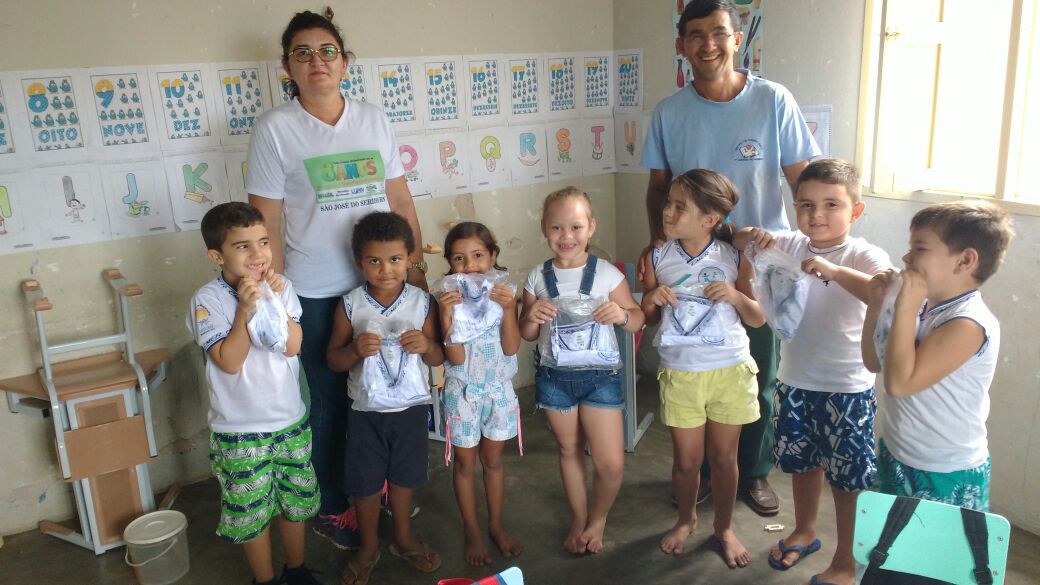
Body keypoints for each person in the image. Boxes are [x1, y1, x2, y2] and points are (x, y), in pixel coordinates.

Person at [246, 9, 427, 548]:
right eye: (302, 53)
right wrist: (274, 296)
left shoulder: (373, 119)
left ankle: (379, 491)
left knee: (388, 396)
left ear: (345, 62)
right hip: (319, 291)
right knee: (331, 402)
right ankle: (333, 506)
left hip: (384, 284)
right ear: (287, 68)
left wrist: (415, 267)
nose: (317, 61)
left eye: (327, 51)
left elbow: (399, 199)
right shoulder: (275, 129)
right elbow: (266, 220)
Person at [641, 0, 820, 515]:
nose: (708, 45)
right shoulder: (669, 112)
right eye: (696, 35)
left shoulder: (773, 100)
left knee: (756, 374)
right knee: (694, 365)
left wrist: (816, 248)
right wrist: (657, 245)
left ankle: (753, 471)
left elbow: (803, 181)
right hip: (691, 263)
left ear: (737, 40)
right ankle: (700, 472)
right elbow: (657, 188)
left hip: (759, 267)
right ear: (681, 46)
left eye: (719, 33)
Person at [737, 159, 891, 585]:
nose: (816, 215)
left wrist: (836, 272)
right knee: (802, 465)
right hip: (795, 381)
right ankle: (804, 531)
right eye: (806, 205)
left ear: (855, 211)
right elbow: (739, 239)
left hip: (848, 388)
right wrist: (752, 236)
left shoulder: (863, 254)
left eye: (831, 204)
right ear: (795, 207)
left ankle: (845, 560)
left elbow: (882, 291)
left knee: (847, 480)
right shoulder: (789, 244)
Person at [188, 202, 323, 585]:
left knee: (294, 503)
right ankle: (264, 580)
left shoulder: (282, 288)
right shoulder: (207, 300)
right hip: (240, 431)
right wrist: (245, 311)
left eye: (263, 242)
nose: (258, 253)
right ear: (217, 256)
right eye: (242, 246)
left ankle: (296, 571)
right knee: (252, 513)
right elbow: (229, 362)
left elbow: (292, 346)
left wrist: (273, 301)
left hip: (289, 420)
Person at [640, 170, 764, 569]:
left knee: (725, 460)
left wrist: (735, 296)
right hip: (681, 374)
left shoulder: (734, 257)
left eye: (681, 207)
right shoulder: (656, 256)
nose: (668, 212)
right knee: (686, 462)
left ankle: (724, 528)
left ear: (711, 219)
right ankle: (686, 519)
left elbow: (758, 317)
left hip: (730, 370)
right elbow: (648, 319)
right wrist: (652, 299)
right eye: (669, 203)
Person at [863, 201, 1014, 514]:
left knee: (932, 547)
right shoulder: (922, 306)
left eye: (919, 248)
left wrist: (904, 307)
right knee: (889, 542)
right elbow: (874, 362)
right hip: (898, 452)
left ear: (965, 260)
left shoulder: (968, 324)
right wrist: (877, 306)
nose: (907, 258)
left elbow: (900, 384)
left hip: (944, 470)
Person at [520, 187, 644, 555]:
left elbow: (637, 319)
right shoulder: (537, 277)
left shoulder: (607, 275)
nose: (566, 236)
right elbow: (527, 334)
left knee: (610, 464)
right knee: (568, 450)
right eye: (556, 227)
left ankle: (598, 519)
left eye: (575, 227)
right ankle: (579, 519)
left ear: (591, 227)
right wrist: (531, 316)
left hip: (600, 380)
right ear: (544, 229)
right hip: (554, 380)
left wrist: (621, 315)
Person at [326, 212, 443, 585]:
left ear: (408, 258)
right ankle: (369, 546)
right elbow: (332, 359)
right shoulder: (350, 304)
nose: (385, 269)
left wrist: (426, 345)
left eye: (394, 259)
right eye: (374, 261)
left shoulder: (422, 302)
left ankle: (404, 539)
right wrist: (354, 350)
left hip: (411, 410)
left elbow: (438, 357)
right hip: (366, 412)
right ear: (359, 262)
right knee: (365, 482)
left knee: (406, 476)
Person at [437, 222, 524, 567]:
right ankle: (472, 531)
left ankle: (496, 525)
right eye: (459, 258)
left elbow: (511, 347)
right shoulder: (448, 298)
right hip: (462, 393)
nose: (469, 265)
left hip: (498, 392)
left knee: (493, 461)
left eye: (477, 255)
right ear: (449, 262)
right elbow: (456, 359)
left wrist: (509, 309)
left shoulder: (504, 293)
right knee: (464, 463)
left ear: (492, 256)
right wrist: (446, 316)